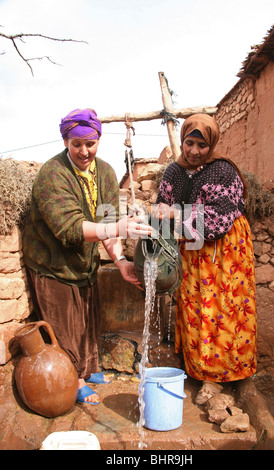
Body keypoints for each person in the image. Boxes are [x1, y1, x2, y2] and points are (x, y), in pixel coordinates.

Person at [22, 108, 152, 405]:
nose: (84, 151)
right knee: (63, 322)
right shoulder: (52, 174)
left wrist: (120, 262)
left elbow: (107, 224)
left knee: (86, 318)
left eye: (90, 144)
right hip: (52, 262)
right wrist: (119, 226)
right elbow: (68, 228)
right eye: (76, 144)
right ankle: (74, 379)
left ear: (98, 140)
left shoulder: (104, 172)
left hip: (83, 262)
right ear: (66, 142)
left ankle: (88, 368)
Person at [152, 113, 257, 383]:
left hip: (224, 252)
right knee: (196, 310)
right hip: (191, 252)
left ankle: (227, 375)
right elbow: (161, 211)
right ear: (182, 140)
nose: (194, 151)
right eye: (189, 143)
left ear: (212, 145)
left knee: (225, 309)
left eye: (202, 145)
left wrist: (174, 213)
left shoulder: (223, 171)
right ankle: (199, 372)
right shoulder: (173, 172)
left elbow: (219, 220)